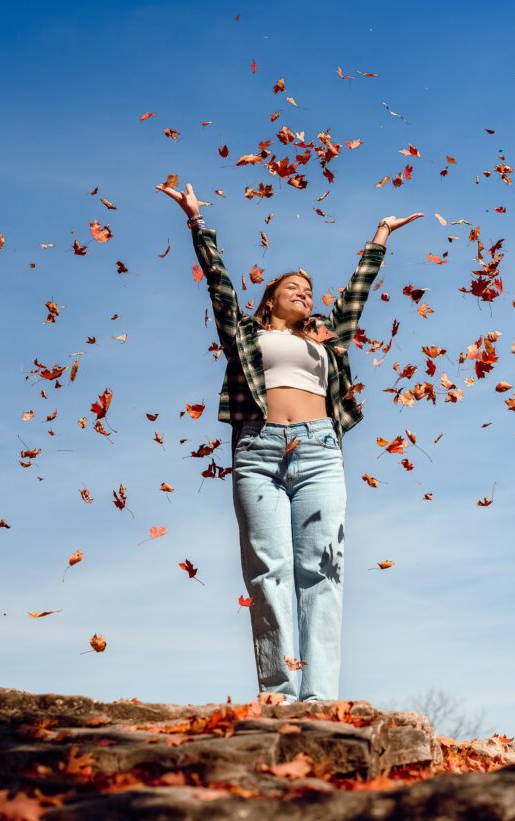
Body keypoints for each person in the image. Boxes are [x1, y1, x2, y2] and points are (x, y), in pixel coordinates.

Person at [162, 183, 423, 704]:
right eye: (293, 288)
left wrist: (381, 236)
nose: (305, 292)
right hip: (257, 453)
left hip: (319, 452)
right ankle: (279, 693)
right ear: (271, 299)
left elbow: (356, 293)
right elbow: (218, 287)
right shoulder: (246, 333)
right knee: (268, 571)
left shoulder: (325, 336)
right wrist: (196, 223)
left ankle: (320, 697)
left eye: (309, 288)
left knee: (322, 570)